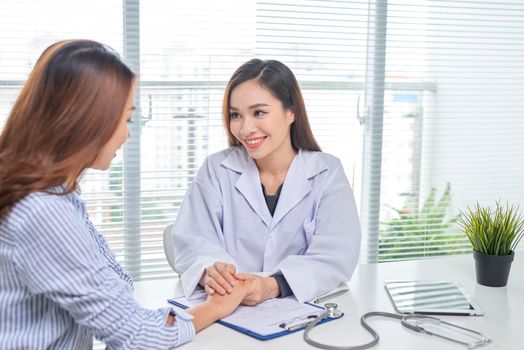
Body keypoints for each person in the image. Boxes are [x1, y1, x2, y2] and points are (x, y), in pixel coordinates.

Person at [0, 40, 251, 350]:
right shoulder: (43, 211)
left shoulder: (57, 193)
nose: (127, 133)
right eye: (126, 118)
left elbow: (114, 284)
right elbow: (137, 334)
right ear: (86, 119)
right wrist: (218, 307)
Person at [170, 59, 361, 305]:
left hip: (300, 313)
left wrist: (272, 286)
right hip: (227, 310)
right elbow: (192, 241)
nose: (246, 128)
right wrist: (211, 271)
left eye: (259, 112)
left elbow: (336, 256)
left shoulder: (327, 172)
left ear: (291, 112)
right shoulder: (216, 170)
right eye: (235, 115)